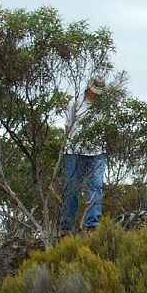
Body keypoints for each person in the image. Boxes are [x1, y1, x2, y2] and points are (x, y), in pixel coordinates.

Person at [59, 73, 108, 234]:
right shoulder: (76, 103)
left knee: (96, 185)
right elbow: (68, 126)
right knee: (72, 188)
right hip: (75, 151)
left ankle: (92, 225)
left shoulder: (104, 105)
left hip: (98, 152)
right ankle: (66, 225)